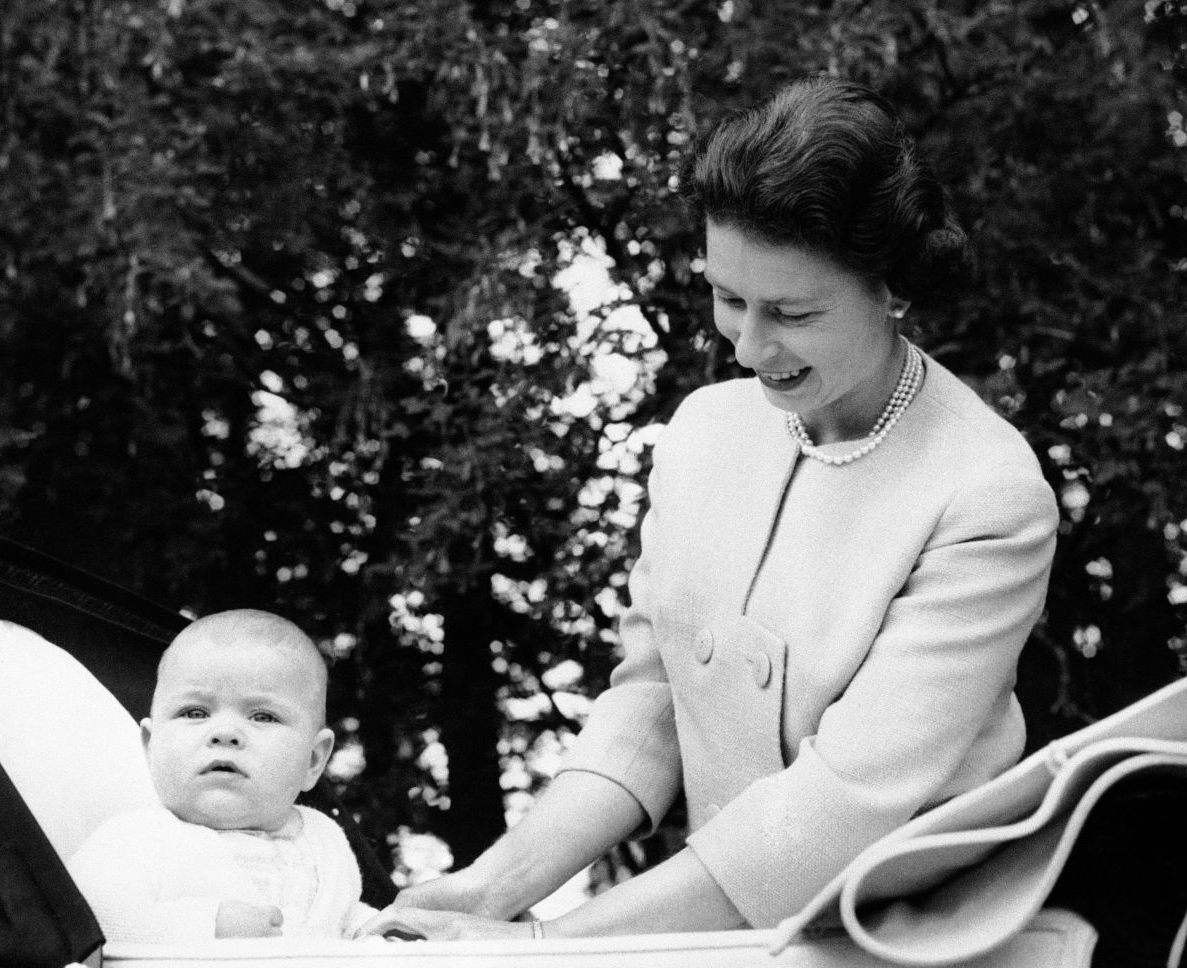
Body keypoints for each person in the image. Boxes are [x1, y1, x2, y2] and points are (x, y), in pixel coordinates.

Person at [361, 73, 1059, 941]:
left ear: (894, 289)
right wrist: (493, 887)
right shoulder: (702, 433)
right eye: (728, 298)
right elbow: (654, 698)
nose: (750, 345)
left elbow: (845, 803)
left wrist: (546, 947)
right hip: (712, 925)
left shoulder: (989, 492)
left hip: (911, 937)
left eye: (792, 312)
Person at [68, 609, 379, 942]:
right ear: (150, 745)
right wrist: (206, 925)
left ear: (313, 760)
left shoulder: (325, 840)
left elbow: (343, 917)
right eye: (195, 712)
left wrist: (374, 931)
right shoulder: (134, 839)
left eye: (263, 716)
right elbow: (86, 920)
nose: (225, 733)